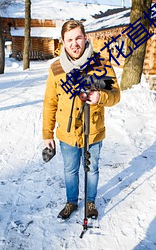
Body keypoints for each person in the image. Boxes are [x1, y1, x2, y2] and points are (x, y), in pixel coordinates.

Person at [42, 20, 120, 220]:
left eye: (78, 38)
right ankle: (71, 202)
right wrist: (47, 134)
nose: (74, 43)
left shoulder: (101, 63)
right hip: (67, 133)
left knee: (91, 168)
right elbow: (50, 102)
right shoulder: (57, 68)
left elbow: (115, 94)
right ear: (63, 42)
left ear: (86, 38)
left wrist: (100, 97)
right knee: (70, 170)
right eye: (69, 40)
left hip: (93, 130)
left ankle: (91, 202)